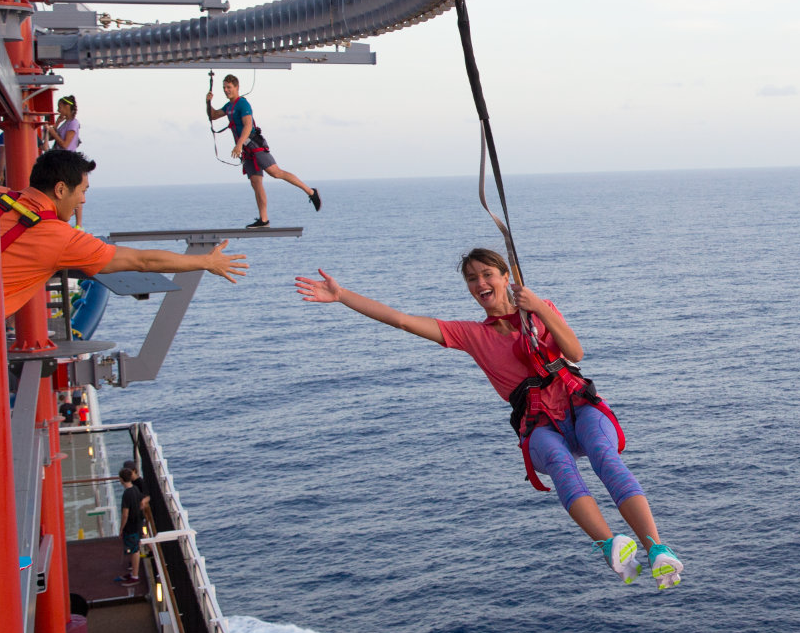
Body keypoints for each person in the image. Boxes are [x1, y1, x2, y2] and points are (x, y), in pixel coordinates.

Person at [294, 248, 686, 588]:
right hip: (539, 423)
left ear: (504, 277)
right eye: (471, 279)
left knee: (603, 455)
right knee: (561, 466)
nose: (479, 283)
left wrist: (539, 309)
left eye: (486, 274)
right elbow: (401, 320)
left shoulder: (540, 310)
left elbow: (575, 352)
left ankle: (656, 548)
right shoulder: (470, 335)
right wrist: (342, 295)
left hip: (578, 405)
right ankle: (610, 545)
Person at [0, 149, 251, 397]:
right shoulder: (57, 237)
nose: (83, 198)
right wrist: (206, 262)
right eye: (82, 190)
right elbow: (142, 261)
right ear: (60, 189)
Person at [205, 74, 321, 228]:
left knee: (276, 172)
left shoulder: (242, 104)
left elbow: (248, 126)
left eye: (229, 87)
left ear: (237, 87)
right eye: (224, 88)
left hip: (254, 144)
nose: (226, 90)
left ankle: (311, 192)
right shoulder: (229, 106)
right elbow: (213, 116)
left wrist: (238, 145)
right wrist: (208, 102)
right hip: (245, 149)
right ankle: (264, 220)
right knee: (256, 182)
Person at [116, 467, 149, 586]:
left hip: (131, 526)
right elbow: (142, 503)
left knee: (134, 550)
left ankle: (135, 576)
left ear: (121, 479)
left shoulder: (126, 494)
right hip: (138, 523)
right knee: (135, 548)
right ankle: (133, 573)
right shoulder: (135, 489)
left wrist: (121, 528)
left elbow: (125, 514)